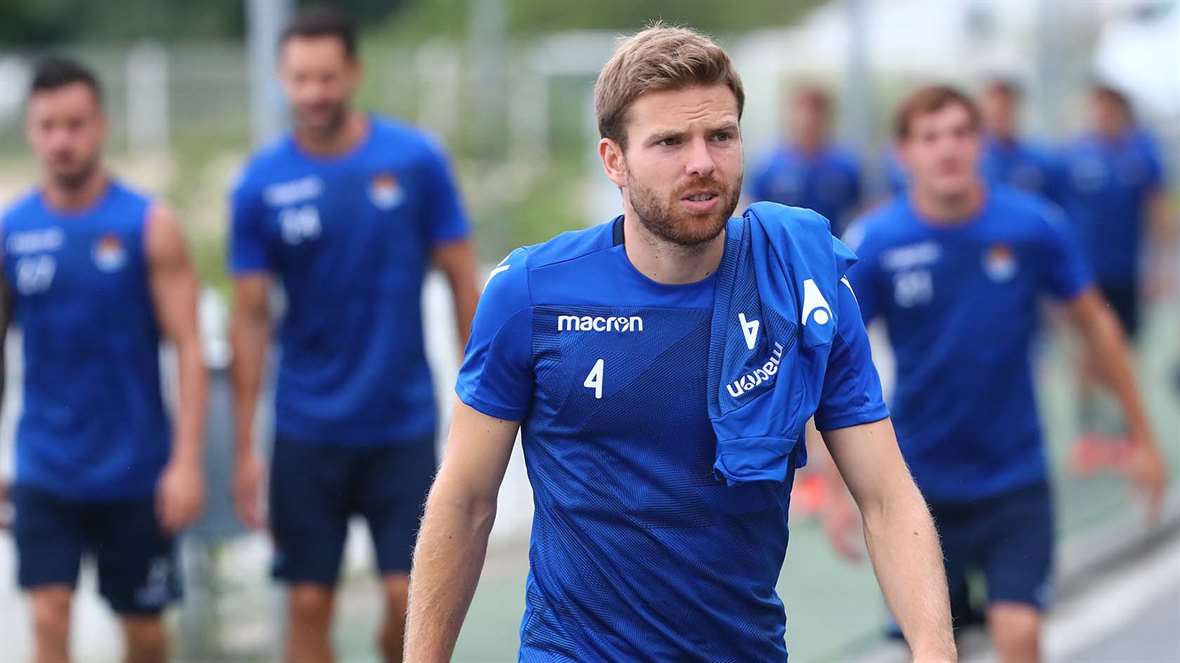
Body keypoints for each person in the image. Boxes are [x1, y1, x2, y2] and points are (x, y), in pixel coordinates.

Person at [404, 25, 955, 662]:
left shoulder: (801, 285)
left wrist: (935, 650)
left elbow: (886, 499)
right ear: (614, 159)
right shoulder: (530, 293)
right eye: (669, 142)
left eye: (721, 136)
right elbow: (466, 501)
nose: (702, 163)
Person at [833, 85, 1167, 663]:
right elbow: (829, 358)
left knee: (1020, 632)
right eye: (930, 137)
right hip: (918, 483)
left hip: (1015, 477)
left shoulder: (1031, 226)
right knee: (934, 649)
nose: (948, 149)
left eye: (961, 133)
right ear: (903, 153)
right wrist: (839, 484)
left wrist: (1143, 437)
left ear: (980, 144)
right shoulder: (877, 242)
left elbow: (1097, 325)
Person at [227, 8, 477, 663]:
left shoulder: (415, 161)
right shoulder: (259, 184)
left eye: (327, 77)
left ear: (354, 73)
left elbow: (462, 279)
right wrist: (246, 445)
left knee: (406, 597)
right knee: (309, 603)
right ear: (282, 79)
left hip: (401, 422)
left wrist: (478, 399)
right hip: (305, 428)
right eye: (300, 78)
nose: (314, 92)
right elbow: (249, 315)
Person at [0, 57, 207, 663]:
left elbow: (190, 347)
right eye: (48, 127)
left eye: (75, 124)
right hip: (45, 468)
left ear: (101, 126)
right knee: (47, 614)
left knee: (144, 632)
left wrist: (186, 462)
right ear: (31, 132)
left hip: (135, 470)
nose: (62, 140)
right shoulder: (12, 232)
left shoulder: (149, 225)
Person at [1059, 83, 1172, 473]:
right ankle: (1089, 435)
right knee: (1087, 354)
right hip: (1086, 277)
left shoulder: (1142, 152)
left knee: (1127, 352)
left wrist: (1159, 267)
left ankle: (1130, 433)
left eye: (1110, 108)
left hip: (1127, 272)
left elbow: (1157, 212)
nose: (1103, 115)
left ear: (1122, 111)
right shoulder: (1077, 154)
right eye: (1098, 107)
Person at [748, 86, 863, 238]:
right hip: (782, 248)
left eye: (815, 112)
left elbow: (861, 209)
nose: (807, 119)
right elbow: (752, 210)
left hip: (831, 246)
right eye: (801, 110)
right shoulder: (769, 166)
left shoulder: (845, 165)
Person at [977, 78, 1063, 202]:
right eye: (995, 111)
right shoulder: (974, 159)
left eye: (1006, 108)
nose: (1000, 116)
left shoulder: (1041, 160)